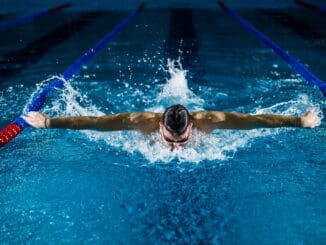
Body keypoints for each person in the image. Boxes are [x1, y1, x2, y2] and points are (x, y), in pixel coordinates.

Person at [23, 104, 321, 150]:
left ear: (193, 124)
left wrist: (300, 121)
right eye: (169, 137)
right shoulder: (141, 122)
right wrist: (49, 122)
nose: (175, 145)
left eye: (180, 139)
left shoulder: (211, 120)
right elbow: (97, 124)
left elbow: (256, 120)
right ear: (160, 126)